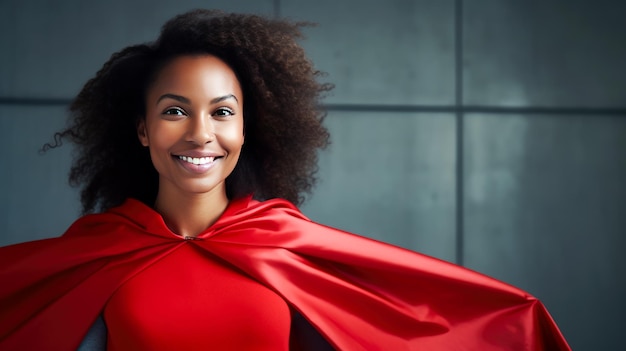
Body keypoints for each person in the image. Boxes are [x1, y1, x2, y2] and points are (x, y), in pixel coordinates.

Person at [0, 9, 570, 351]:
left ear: (247, 129)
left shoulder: (283, 243)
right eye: (175, 111)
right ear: (143, 130)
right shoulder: (100, 249)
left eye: (222, 112)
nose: (201, 133)